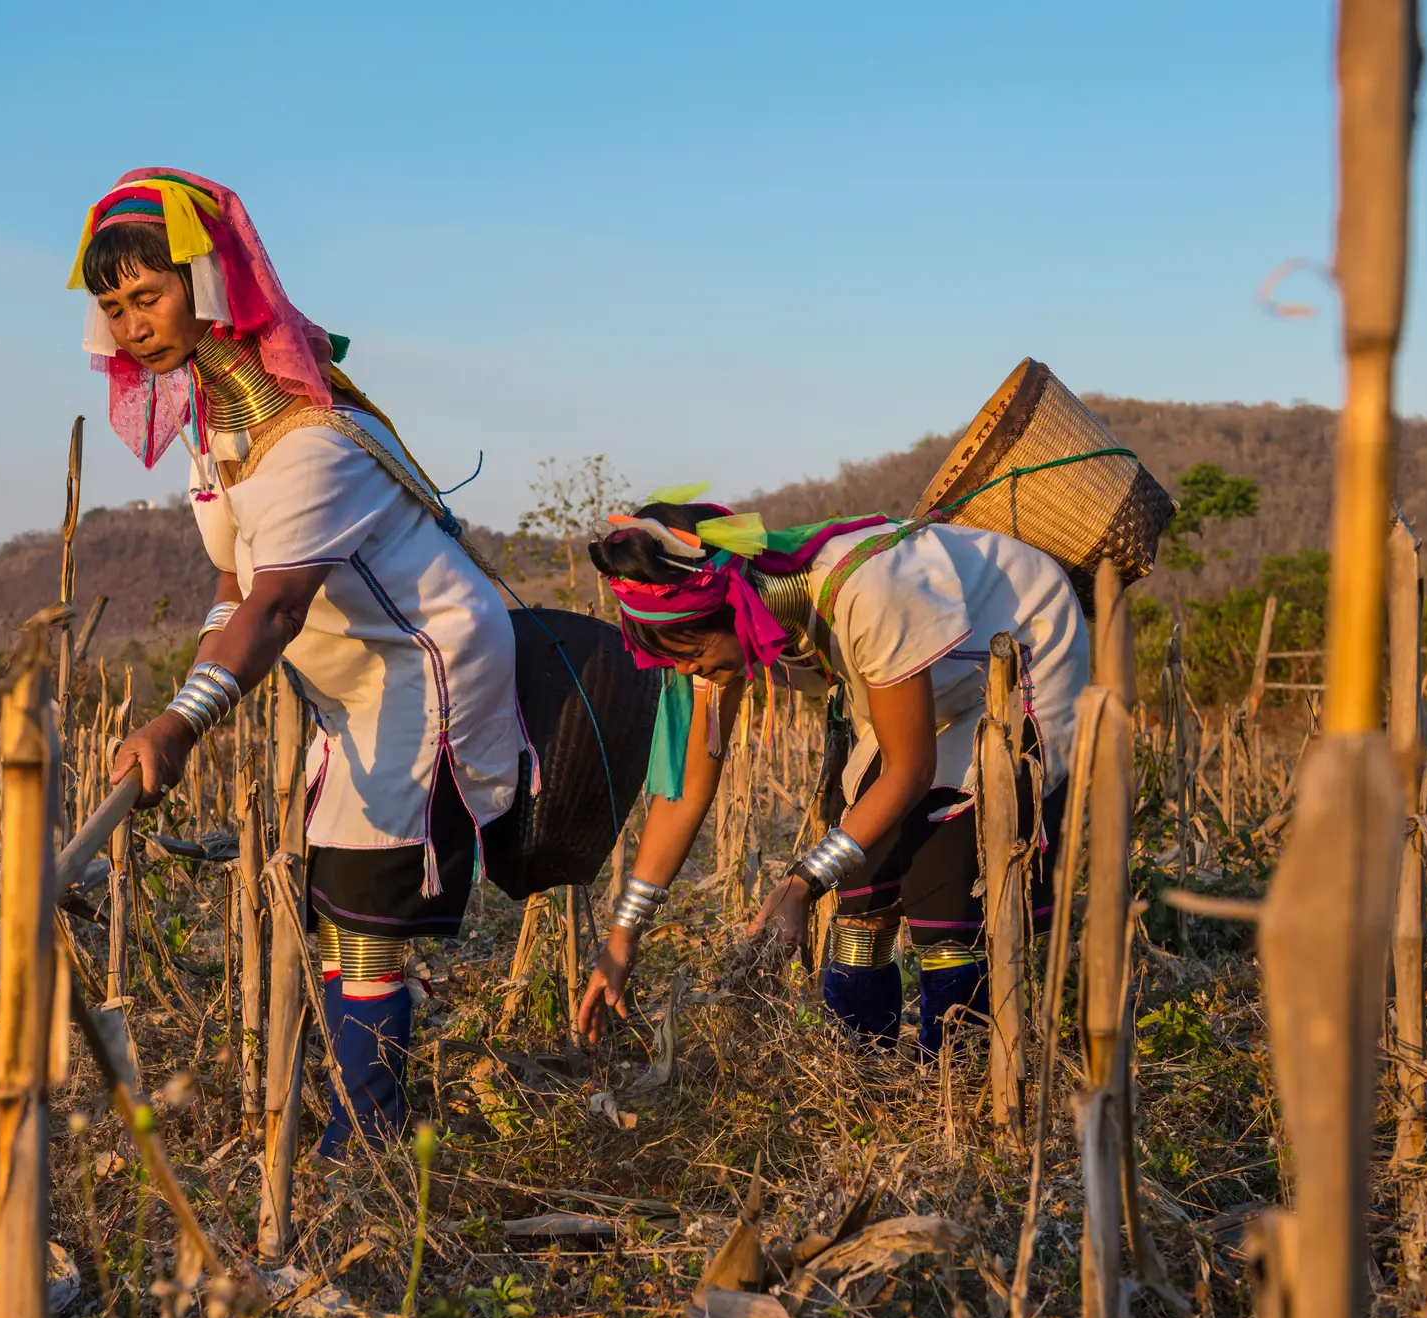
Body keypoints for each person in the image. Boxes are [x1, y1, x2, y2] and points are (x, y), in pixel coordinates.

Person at [74, 168, 529, 1155]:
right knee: (337, 901)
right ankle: (359, 1118)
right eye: (114, 309)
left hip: (423, 673)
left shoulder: (305, 440)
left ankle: (363, 1141)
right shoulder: (219, 437)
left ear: (204, 285)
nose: (132, 326)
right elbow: (235, 586)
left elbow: (278, 606)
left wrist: (181, 723)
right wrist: (184, 699)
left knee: (367, 904)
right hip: (349, 687)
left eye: (147, 296)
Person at [573, 497, 1089, 1057]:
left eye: (692, 654)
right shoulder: (715, 632)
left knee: (948, 880)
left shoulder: (870, 591)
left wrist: (800, 883)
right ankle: (861, 1068)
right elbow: (688, 789)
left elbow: (910, 770)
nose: (686, 670)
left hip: (1021, 656)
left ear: (737, 607)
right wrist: (622, 937)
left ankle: (958, 1078)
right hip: (922, 682)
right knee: (864, 887)